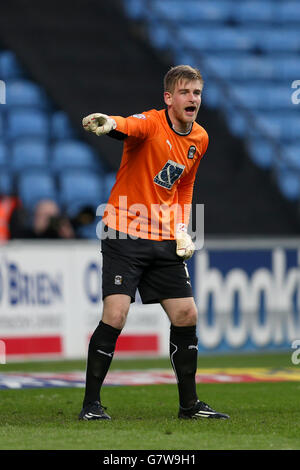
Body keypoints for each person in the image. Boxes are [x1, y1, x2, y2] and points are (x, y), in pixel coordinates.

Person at [78, 65, 230, 421]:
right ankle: (91, 406)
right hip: (123, 233)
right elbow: (128, 125)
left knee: (186, 313)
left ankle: (189, 406)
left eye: (197, 93)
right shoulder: (150, 123)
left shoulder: (200, 139)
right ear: (169, 98)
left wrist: (181, 227)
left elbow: (184, 186)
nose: (192, 99)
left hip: (163, 238)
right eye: (185, 92)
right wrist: (110, 123)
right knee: (115, 315)